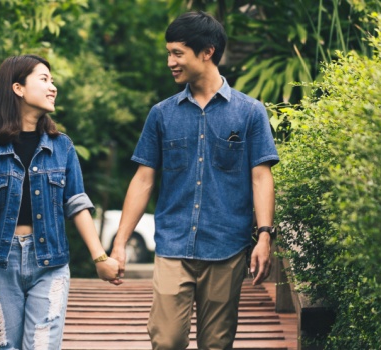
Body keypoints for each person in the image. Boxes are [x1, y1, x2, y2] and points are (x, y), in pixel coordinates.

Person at [110, 11, 279, 350]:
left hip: (227, 246)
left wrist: (264, 235)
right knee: (167, 339)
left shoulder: (250, 112)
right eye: (168, 53)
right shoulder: (162, 114)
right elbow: (143, 181)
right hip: (174, 243)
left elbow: (261, 178)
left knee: (216, 343)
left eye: (177, 53)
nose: (170, 62)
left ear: (207, 52)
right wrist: (119, 243)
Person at [0, 54, 122, 350]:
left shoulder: (62, 146)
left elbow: (77, 204)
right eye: (44, 79)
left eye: (52, 80)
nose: (53, 87)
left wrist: (100, 258)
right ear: (18, 88)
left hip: (50, 263)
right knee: (7, 347)